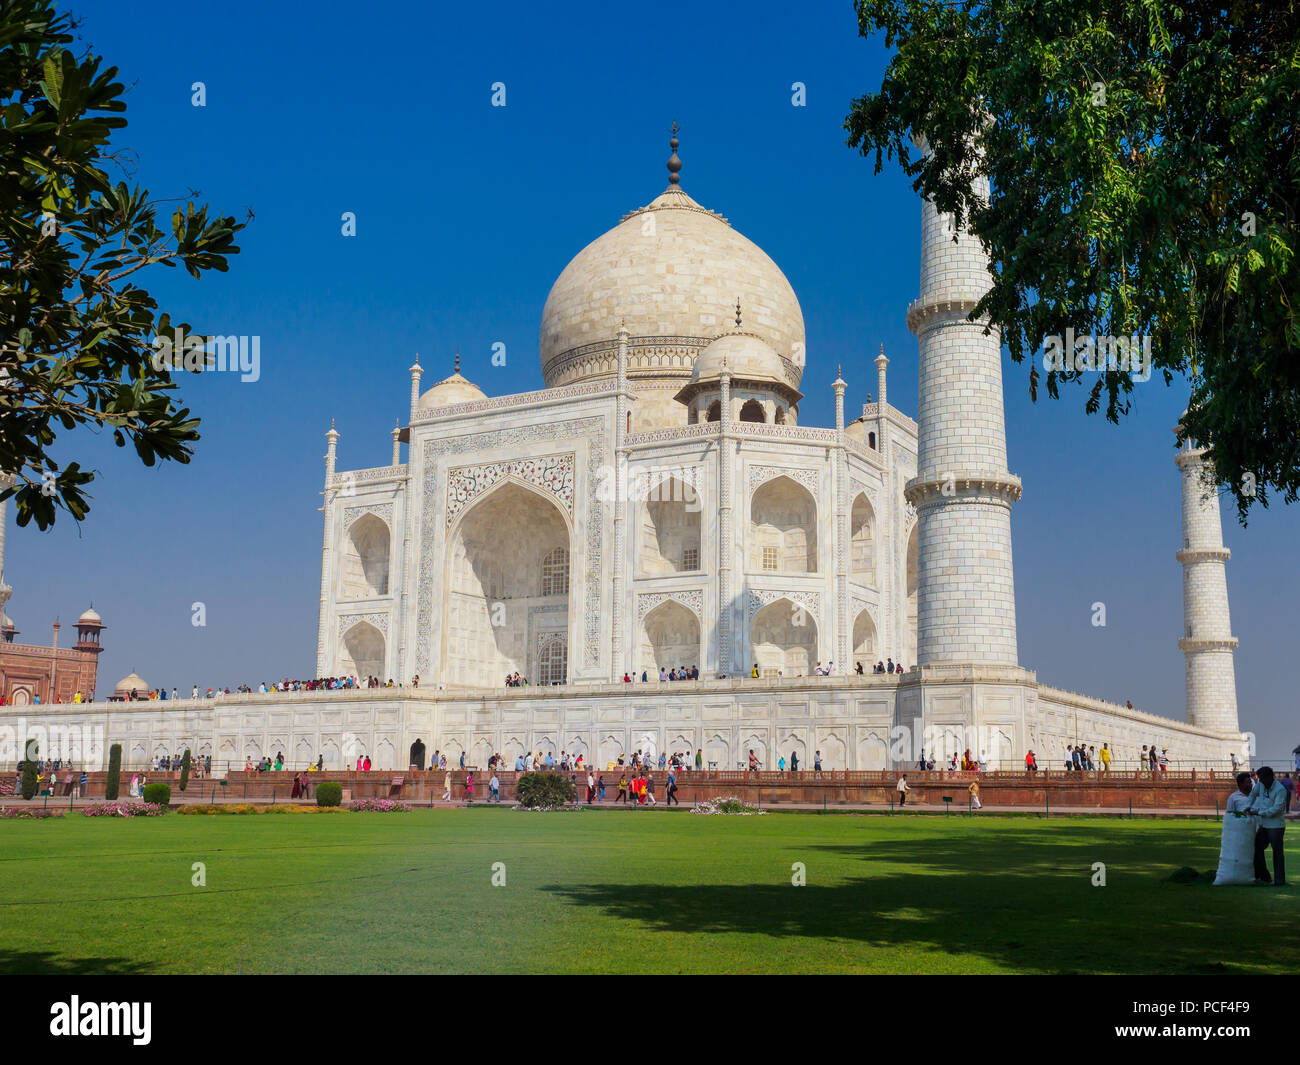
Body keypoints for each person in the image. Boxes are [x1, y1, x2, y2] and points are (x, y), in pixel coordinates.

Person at [1213, 772, 1258, 885]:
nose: (1250, 784)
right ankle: (1239, 875)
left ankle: (1259, 876)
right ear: (1240, 784)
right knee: (1240, 853)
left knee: (1257, 853)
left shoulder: (1256, 796)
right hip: (1241, 833)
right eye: (1247, 782)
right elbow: (1230, 815)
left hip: (1257, 829)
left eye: (1250, 782)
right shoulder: (1234, 798)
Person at [1246, 766, 1287, 886]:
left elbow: (1277, 809)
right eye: (1260, 779)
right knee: (1256, 847)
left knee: (1277, 853)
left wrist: (1258, 812)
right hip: (1264, 825)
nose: (1261, 781)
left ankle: (1279, 881)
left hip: (1276, 826)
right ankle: (1263, 876)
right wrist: (1247, 806)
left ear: (1270, 777)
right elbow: (1252, 795)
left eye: (1263, 778)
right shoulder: (1260, 785)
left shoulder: (1280, 790)